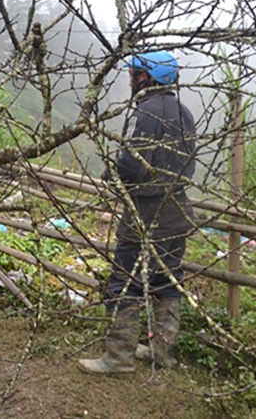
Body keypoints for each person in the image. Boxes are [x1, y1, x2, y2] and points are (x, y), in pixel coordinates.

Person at [79, 51, 197, 374]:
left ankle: (118, 358)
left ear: (147, 77)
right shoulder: (185, 113)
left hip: (144, 213)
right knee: (167, 282)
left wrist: (111, 174)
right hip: (176, 211)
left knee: (125, 281)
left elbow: (130, 166)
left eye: (134, 74)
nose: (130, 80)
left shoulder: (142, 112)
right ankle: (163, 352)